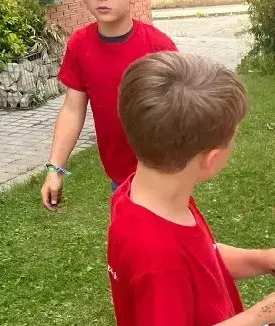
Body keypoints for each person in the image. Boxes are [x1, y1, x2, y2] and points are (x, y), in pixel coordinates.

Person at [107, 52, 275, 326]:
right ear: (211, 159)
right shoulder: (155, 250)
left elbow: (200, 258)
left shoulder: (152, 193)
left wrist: (262, 259)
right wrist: (263, 313)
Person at [41, 0, 177, 211]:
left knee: (163, 239)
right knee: (129, 239)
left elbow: (181, 110)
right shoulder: (80, 45)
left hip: (162, 171)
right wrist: (55, 169)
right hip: (119, 174)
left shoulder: (158, 46)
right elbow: (72, 110)